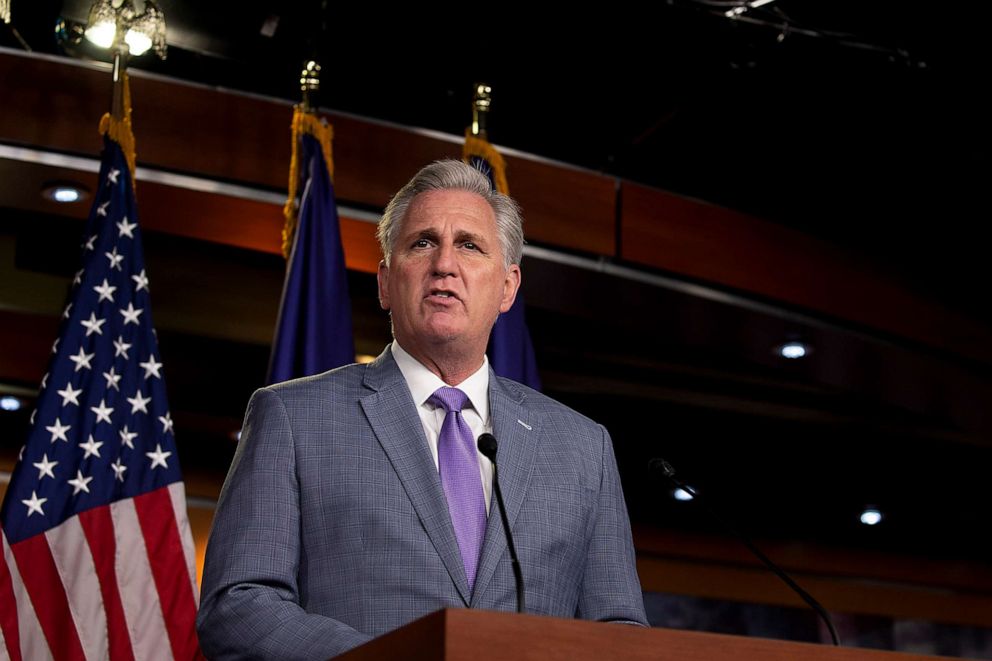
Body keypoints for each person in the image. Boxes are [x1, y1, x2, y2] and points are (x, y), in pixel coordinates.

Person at [196, 160, 647, 659]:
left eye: (470, 245)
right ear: (386, 282)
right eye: (423, 243)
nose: (445, 265)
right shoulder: (292, 418)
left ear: (507, 288)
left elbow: (618, 629)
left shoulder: (583, 448)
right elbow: (238, 606)